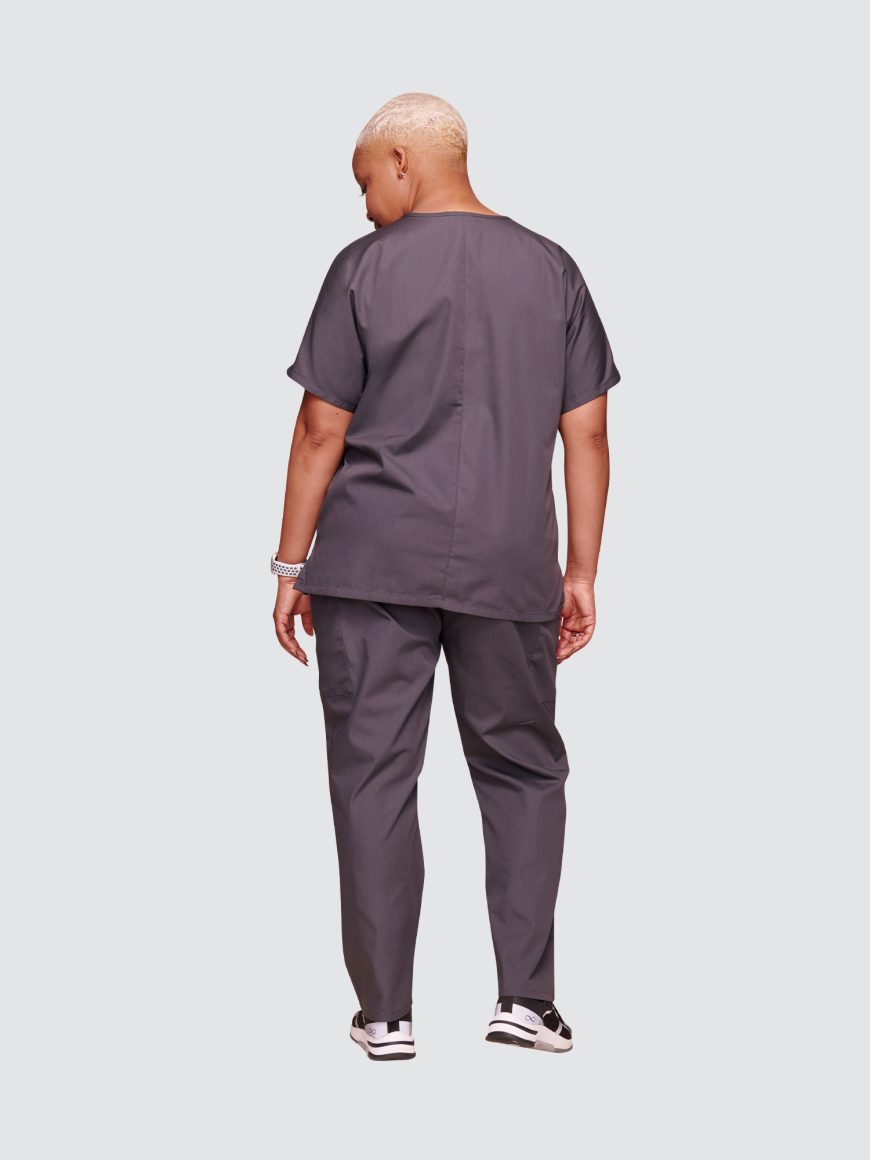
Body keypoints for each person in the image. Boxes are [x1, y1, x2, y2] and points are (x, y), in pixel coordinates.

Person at [272, 92, 621, 1061]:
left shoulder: (362, 269)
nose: (364, 206)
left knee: (373, 774)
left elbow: (320, 428)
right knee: (522, 769)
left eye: (365, 183)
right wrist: (582, 570)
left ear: (402, 160)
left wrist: (291, 561)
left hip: (370, 560)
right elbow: (587, 431)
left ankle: (385, 1014)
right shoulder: (552, 269)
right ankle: (527, 1001)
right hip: (510, 563)